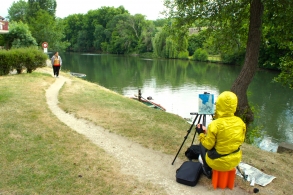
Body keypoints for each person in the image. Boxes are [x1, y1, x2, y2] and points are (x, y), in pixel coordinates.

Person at [195, 91, 246, 179]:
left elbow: (208, 145)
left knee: (203, 145)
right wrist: (209, 132)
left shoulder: (214, 124)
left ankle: (208, 171)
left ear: (219, 105)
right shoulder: (240, 122)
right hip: (235, 160)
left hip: (218, 163)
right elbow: (236, 140)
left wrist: (201, 133)